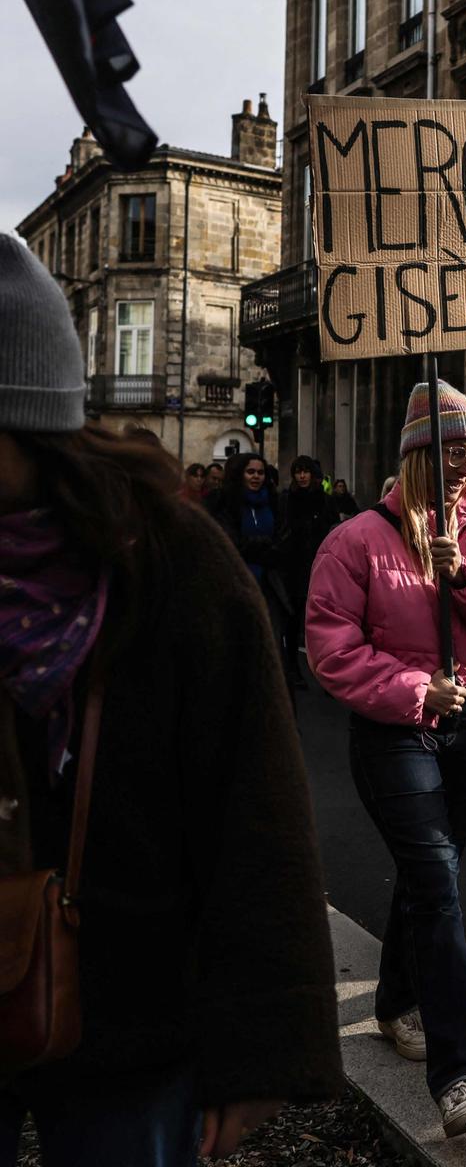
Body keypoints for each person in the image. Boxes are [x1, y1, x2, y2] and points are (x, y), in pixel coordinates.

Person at [0, 234, 341, 1165]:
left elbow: (257, 814)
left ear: (33, 426)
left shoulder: (177, 563)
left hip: (133, 1009)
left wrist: (260, 1050)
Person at [306, 380, 466, 1136]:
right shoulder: (355, 540)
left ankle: (392, 1002)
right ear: (417, 455)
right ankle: (459, 1075)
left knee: (428, 873)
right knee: (438, 881)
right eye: (453, 452)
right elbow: (331, 648)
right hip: (396, 730)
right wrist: (414, 690)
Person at [209, 453, 293, 686]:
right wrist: (263, 545)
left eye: (260, 472)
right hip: (237, 583)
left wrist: (258, 546)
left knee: (272, 645)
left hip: (269, 584)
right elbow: (230, 543)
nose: (256, 477)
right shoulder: (224, 503)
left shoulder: (275, 503)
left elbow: (283, 542)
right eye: (250, 472)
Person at [280, 456, 338, 684]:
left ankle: (327, 672)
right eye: (298, 472)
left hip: (319, 565)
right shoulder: (287, 499)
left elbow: (333, 529)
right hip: (294, 566)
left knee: (322, 621)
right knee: (293, 619)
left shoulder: (325, 501)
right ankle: (292, 667)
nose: (302, 476)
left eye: (305, 472)